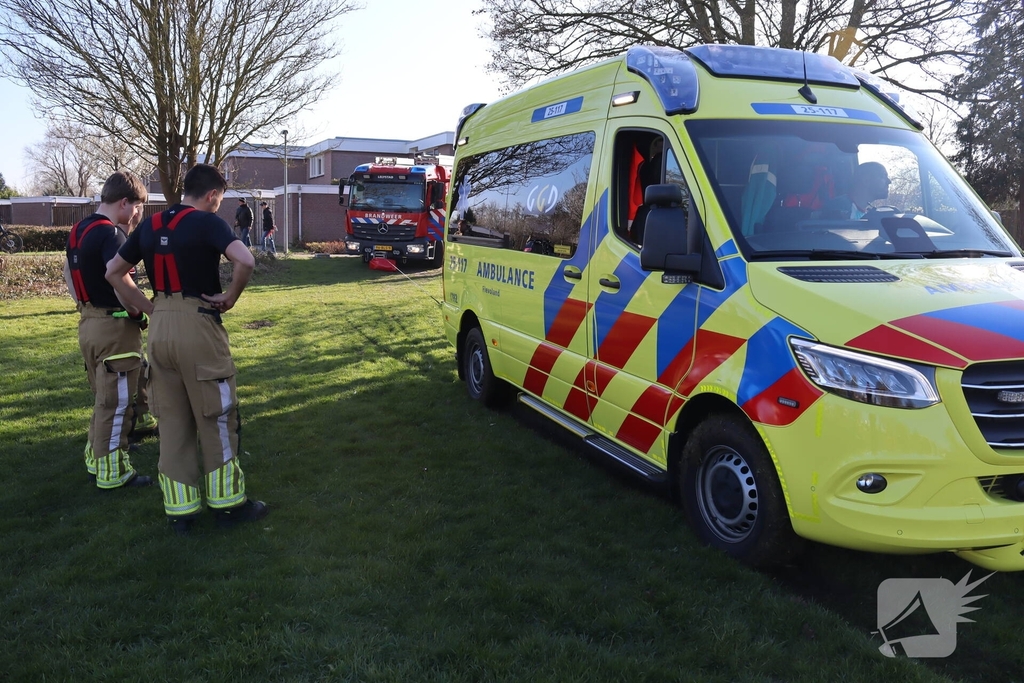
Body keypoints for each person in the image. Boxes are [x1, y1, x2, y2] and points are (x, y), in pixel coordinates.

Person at [106, 163, 268, 534]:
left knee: (173, 420)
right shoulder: (209, 222)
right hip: (199, 324)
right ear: (212, 195)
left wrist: (149, 307)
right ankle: (229, 506)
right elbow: (245, 260)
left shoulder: (150, 224)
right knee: (216, 414)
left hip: (159, 327)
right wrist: (230, 296)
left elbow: (114, 271)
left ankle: (181, 513)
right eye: (220, 199)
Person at [63, 171, 153, 489]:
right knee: (116, 404)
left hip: (88, 322)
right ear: (125, 203)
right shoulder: (111, 235)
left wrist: (85, 305)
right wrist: (143, 311)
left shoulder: (79, 229)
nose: (139, 214)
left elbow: (68, 275)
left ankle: (95, 458)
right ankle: (114, 472)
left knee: (103, 400)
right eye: (139, 207)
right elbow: (119, 280)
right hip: (113, 327)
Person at [117, 208, 158, 443]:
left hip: (94, 318)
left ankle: (143, 419)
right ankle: (125, 436)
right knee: (126, 380)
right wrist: (142, 312)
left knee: (140, 368)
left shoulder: (85, 233)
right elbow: (117, 280)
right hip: (119, 322)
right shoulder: (117, 239)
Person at [822, 161, 891, 219]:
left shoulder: (866, 212)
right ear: (866, 180)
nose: (889, 181)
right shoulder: (839, 210)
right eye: (883, 176)